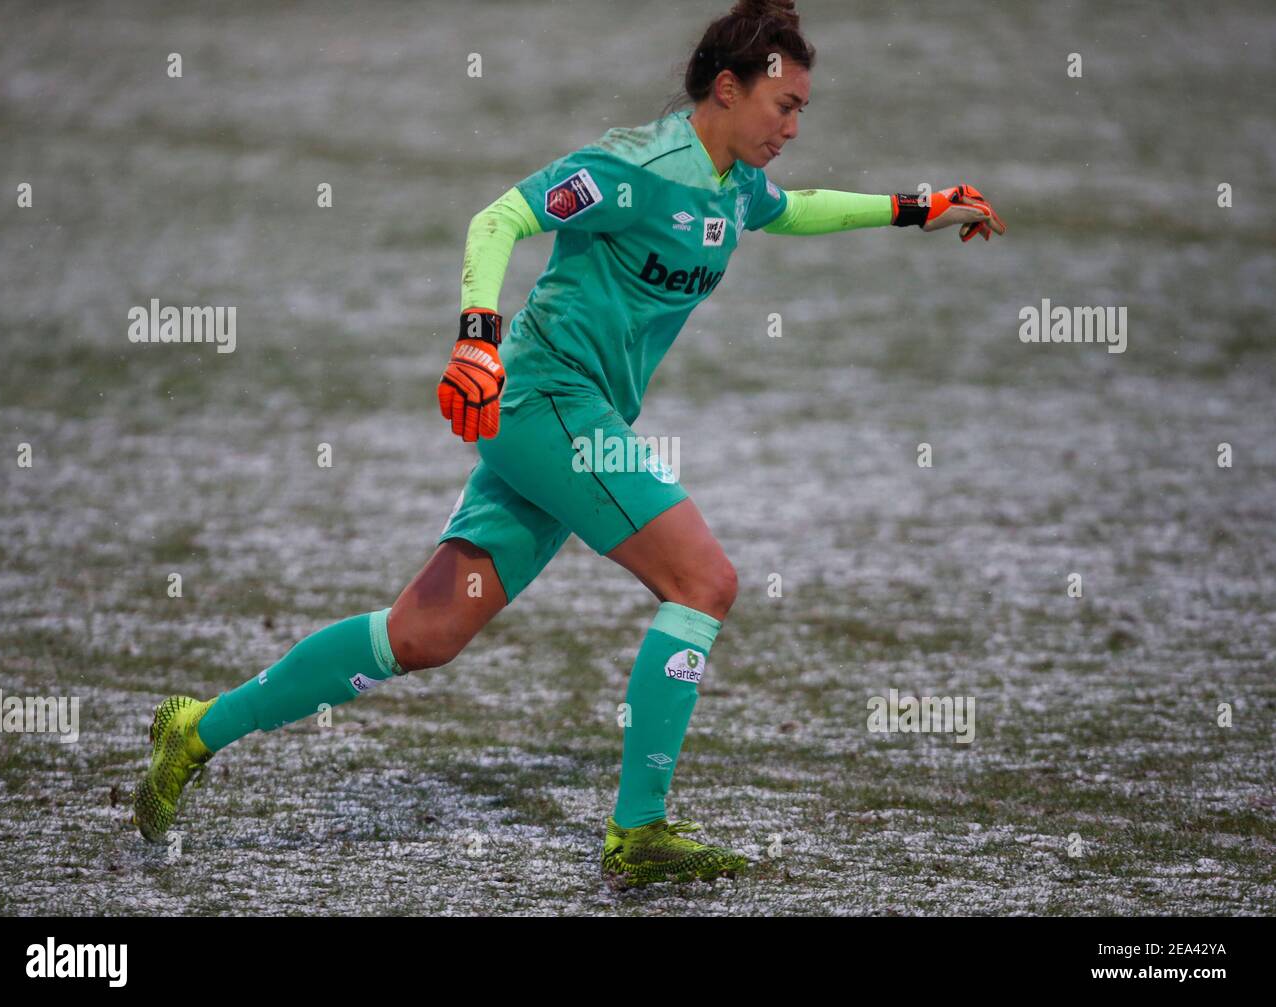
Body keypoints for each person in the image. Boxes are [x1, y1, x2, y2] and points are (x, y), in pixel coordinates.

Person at [133, 0, 1005, 888]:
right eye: (784, 106)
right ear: (729, 88)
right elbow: (497, 219)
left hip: (564, 425)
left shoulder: (733, 182)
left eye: (802, 112)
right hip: (547, 403)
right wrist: (477, 335)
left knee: (423, 633)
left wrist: (917, 206)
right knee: (703, 581)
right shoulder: (632, 167)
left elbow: (795, 210)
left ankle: (195, 729)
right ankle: (639, 832)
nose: (792, 125)